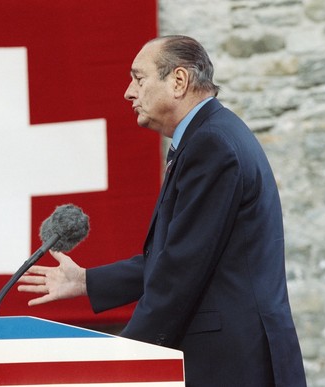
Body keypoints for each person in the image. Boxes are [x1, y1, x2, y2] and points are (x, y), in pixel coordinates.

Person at [18, 35, 306, 386]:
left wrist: (121, 361)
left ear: (179, 81)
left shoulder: (212, 144)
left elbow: (182, 269)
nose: (128, 92)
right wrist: (88, 281)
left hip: (233, 365)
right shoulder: (208, 137)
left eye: (139, 78)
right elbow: (178, 258)